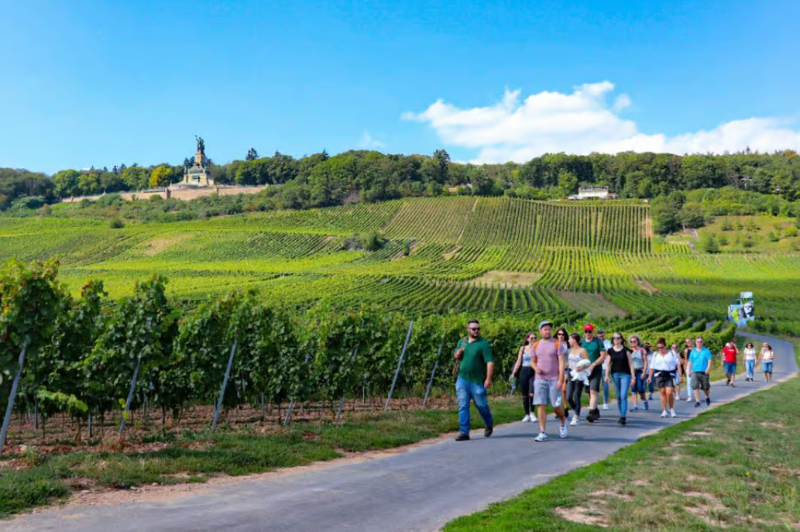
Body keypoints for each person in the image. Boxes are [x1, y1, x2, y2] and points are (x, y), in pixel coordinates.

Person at [453, 320, 494, 441]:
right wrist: (457, 353)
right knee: (463, 405)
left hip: (477, 380)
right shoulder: (462, 341)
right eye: (474, 329)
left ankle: (488, 423)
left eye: (478, 329)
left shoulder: (483, 344)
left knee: (481, 405)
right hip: (462, 378)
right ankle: (464, 432)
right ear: (468, 330)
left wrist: (488, 378)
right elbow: (456, 356)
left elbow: (490, 362)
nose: (476, 331)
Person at [531, 320, 568, 442]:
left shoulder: (557, 344)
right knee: (541, 405)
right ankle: (542, 432)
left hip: (554, 379)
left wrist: (561, 379)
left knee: (555, 405)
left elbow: (562, 362)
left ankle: (563, 420)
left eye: (549, 329)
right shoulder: (536, 345)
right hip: (540, 379)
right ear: (540, 331)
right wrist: (536, 368)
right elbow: (533, 361)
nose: (547, 331)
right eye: (545, 329)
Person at [604, 332, 635, 425]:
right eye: (614, 338)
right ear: (612, 340)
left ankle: (623, 416)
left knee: (623, 396)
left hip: (625, 375)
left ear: (621, 339)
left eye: (618, 338)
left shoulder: (626, 350)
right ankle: (622, 414)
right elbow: (608, 364)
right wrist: (606, 375)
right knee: (618, 396)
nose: (616, 340)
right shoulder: (610, 351)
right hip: (615, 375)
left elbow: (631, 364)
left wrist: (633, 377)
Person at [581, 324, 608, 423]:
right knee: (589, 392)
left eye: (589, 331)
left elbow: (603, 356)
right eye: (586, 331)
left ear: (593, 332)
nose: (588, 333)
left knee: (593, 390)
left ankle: (591, 412)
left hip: (596, 369)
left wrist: (593, 364)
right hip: (585, 370)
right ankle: (595, 409)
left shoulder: (598, 341)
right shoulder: (581, 342)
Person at [648, 338, 679, 418]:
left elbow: (678, 364)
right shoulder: (655, 354)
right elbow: (652, 366)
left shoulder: (672, 353)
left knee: (669, 392)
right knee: (662, 393)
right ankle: (664, 410)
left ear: (665, 346)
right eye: (658, 347)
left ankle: (671, 409)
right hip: (659, 374)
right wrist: (649, 377)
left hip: (669, 374)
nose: (660, 349)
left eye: (661, 347)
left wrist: (681, 375)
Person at [511, 332, 536, 422]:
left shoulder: (537, 348)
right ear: (528, 339)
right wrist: (514, 373)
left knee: (532, 392)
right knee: (525, 394)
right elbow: (519, 361)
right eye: (532, 338)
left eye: (535, 338)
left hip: (533, 371)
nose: (533, 340)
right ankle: (527, 414)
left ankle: (532, 412)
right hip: (524, 371)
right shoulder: (523, 348)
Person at [566, 333, 589, 425]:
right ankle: (577, 409)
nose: (568, 341)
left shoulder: (582, 350)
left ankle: (576, 417)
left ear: (574, 340)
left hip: (579, 375)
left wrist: (581, 368)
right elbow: (568, 363)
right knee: (568, 397)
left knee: (577, 396)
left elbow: (588, 363)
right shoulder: (569, 350)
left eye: (569, 339)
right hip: (571, 374)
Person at [686, 336, 713, 407]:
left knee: (705, 387)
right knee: (695, 386)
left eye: (701, 342)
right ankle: (697, 400)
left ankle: (707, 397)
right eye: (698, 342)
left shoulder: (706, 351)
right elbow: (690, 362)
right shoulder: (693, 351)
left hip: (704, 371)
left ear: (702, 343)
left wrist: (708, 369)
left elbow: (709, 361)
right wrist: (689, 370)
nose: (699, 343)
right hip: (695, 371)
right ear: (695, 342)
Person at [629, 335, 649, 412]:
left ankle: (644, 400)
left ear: (637, 342)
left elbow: (645, 361)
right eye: (631, 341)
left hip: (640, 370)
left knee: (640, 388)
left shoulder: (642, 350)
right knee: (633, 388)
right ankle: (635, 405)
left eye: (634, 341)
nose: (633, 343)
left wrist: (644, 372)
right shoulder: (629, 351)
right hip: (632, 371)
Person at [555, 327, 570, 419]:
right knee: (557, 390)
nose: (561, 336)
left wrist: (567, 364)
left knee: (564, 389)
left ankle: (566, 407)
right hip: (556, 369)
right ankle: (559, 409)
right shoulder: (554, 344)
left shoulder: (568, 345)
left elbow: (572, 355)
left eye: (562, 334)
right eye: (559, 334)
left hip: (566, 369)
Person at [597, 329, 612, 411]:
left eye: (602, 336)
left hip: (605, 367)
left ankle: (605, 402)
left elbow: (609, 353)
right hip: (596, 366)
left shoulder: (608, 343)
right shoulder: (595, 342)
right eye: (599, 336)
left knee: (605, 385)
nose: (601, 337)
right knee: (595, 385)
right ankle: (595, 401)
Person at [683, 338, 694, 402]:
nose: (688, 343)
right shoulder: (686, 350)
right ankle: (690, 396)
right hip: (689, 367)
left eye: (689, 341)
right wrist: (685, 368)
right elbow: (686, 359)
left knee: (695, 381)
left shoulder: (696, 349)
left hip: (696, 366)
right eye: (687, 342)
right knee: (689, 382)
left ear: (692, 341)